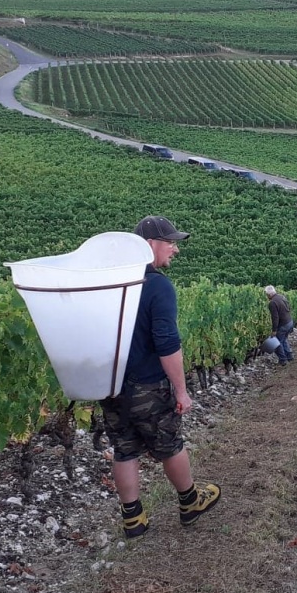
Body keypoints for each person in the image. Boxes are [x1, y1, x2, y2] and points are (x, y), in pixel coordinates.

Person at [99, 216, 220, 538]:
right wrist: (181, 391)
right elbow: (166, 342)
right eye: (171, 242)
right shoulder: (156, 286)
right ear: (150, 244)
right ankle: (191, 501)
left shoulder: (109, 282)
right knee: (169, 445)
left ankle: (133, 519)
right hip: (148, 384)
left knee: (124, 449)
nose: (175, 249)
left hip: (110, 384)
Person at [266, 284, 294, 366]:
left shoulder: (272, 303)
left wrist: (274, 330)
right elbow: (289, 307)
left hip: (283, 325)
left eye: (267, 295)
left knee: (277, 342)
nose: (267, 296)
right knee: (283, 340)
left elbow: (275, 318)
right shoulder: (282, 297)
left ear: (270, 294)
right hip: (289, 322)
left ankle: (283, 360)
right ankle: (289, 356)